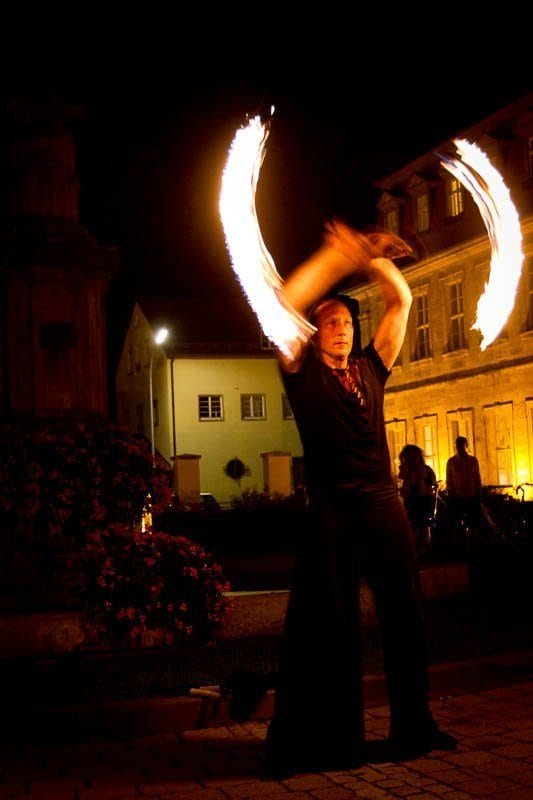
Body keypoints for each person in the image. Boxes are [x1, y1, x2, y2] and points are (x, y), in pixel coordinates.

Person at [223, 221, 456, 776]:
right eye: (330, 322)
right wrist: (339, 254)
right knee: (332, 622)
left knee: (405, 613)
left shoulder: (372, 368)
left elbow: (399, 299)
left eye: (348, 323)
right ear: (314, 330)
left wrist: (372, 258)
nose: (342, 331)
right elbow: (282, 302)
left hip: (381, 499)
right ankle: (334, 738)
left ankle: (413, 726)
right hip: (332, 506)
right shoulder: (301, 370)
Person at [398, 444, 436, 550]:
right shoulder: (405, 470)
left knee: (423, 525)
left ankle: (424, 546)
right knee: (412, 525)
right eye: (408, 458)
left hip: (422, 499)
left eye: (413, 457)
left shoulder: (425, 469)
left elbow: (430, 483)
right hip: (410, 500)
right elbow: (402, 483)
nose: (411, 460)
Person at [446, 436, 482, 531]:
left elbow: (477, 478)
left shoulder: (473, 461)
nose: (459, 447)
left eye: (461, 445)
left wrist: (478, 493)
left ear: (466, 445)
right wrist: (451, 494)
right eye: (458, 445)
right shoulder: (451, 462)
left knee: (473, 523)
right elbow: (449, 480)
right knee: (459, 525)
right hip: (458, 497)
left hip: (471, 496)